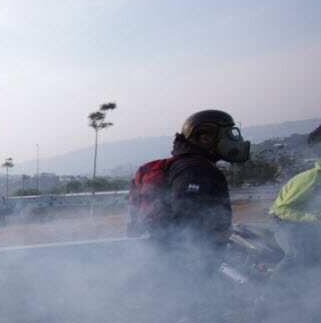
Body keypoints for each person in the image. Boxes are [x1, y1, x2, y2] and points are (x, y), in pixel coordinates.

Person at [128, 110, 249, 276]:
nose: (234, 140)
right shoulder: (197, 170)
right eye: (228, 134)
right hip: (187, 266)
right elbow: (189, 226)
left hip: (161, 258)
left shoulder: (177, 166)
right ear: (205, 138)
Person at [268, 122, 321, 274]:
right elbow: (280, 209)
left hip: (311, 228)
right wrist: (312, 217)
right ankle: (267, 295)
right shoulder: (311, 179)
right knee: (298, 255)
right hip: (288, 226)